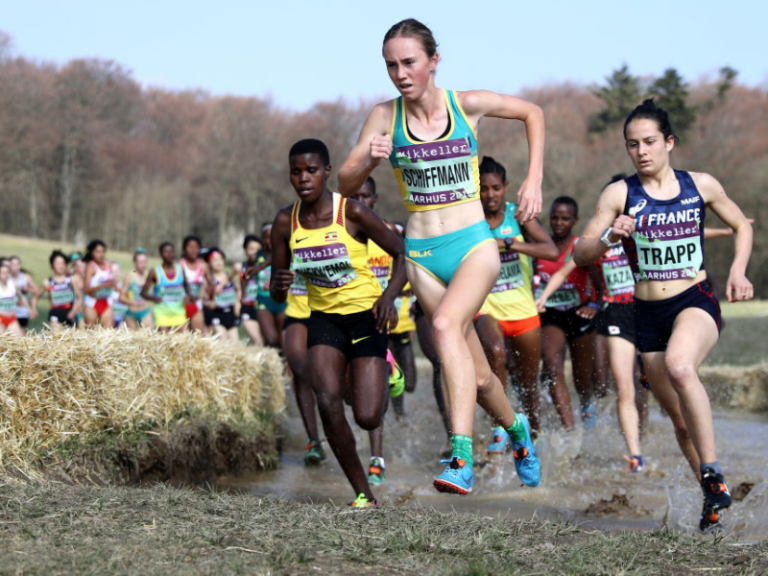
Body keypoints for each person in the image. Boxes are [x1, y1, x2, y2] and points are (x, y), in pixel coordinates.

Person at [338, 18, 543, 494]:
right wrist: (369, 158)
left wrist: (532, 180)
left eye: (409, 62)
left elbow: (533, 112)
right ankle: (519, 434)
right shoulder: (382, 116)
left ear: (433, 61)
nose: (400, 73)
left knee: (446, 328)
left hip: (473, 245)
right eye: (391, 65)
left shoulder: (466, 105)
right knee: (479, 375)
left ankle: (460, 456)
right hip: (423, 255)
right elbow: (345, 186)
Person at [573, 99, 754, 532]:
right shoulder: (619, 195)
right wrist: (608, 236)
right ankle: (712, 501)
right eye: (632, 144)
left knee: (679, 365)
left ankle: (712, 473)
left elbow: (743, 225)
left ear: (669, 142)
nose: (641, 151)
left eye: (650, 141)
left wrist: (738, 271)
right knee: (678, 420)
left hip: (694, 299)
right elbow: (581, 252)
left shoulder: (701, 185)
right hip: (646, 313)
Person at [270, 138, 406, 507]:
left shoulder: (352, 213)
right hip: (324, 322)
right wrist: (278, 284)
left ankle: (389, 373)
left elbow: (402, 253)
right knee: (328, 402)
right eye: (296, 172)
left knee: (365, 416)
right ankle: (364, 494)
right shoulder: (286, 222)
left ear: (327, 172)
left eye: (311, 170)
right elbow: (279, 290)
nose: (304, 178)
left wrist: (389, 296)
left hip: (366, 317)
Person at [474, 157, 559, 452]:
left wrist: (510, 244)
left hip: (523, 311)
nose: (490, 195)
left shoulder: (517, 215)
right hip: (488, 307)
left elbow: (550, 250)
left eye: (495, 188)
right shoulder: (471, 219)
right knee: (496, 354)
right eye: (483, 189)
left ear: (506, 187)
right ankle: (499, 427)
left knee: (528, 385)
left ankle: (533, 434)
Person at [350, 177, 417, 417]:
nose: (361, 202)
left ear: (375, 199)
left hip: (400, 315)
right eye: (355, 197)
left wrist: (406, 289)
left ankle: (397, 404)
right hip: (370, 318)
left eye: (365, 196)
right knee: (380, 376)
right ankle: (393, 420)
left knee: (409, 382)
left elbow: (408, 261)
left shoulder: (390, 232)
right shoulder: (345, 235)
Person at [533, 197, 599, 433]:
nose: (559, 223)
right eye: (554, 217)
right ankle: (570, 430)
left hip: (579, 314)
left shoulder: (580, 247)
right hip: (551, 316)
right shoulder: (541, 246)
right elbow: (532, 279)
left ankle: (585, 404)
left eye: (565, 218)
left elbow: (600, 281)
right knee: (552, 366)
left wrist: (596, 304)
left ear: (575, 221)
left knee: (583, 380)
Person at [142, 242, 193, 333]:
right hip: (162, 313)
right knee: (164, 341)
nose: (169, 255)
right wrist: (153, 298)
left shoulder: (180, 269)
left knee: (185, 339)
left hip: (179, 312)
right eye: (166, 252)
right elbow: (143, 293)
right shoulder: (155, 272)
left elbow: (186, 286)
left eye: (172, 252)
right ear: (161, 254)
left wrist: (188, 295)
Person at [253, 224, 287, 348]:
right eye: (267, 237)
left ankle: (283, 365)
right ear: (262, 239)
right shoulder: (256, 257)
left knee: (283, 341)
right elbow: (245, 273)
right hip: (263, 300)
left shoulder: (285, 254)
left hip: (282, 300)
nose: (271, 239)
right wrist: (243, 293)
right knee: (271, 338)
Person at [31, 250, 82, 330]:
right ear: (52, 265)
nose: (61, 266)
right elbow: (35, 297)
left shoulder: (71, 280)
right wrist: (33, 309)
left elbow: (79, 298)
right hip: (55, 314)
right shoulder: (48, 283)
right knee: (57, 337)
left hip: (70, 314)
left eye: (63, 263)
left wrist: (73, 311)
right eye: (58, 263)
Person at [204, 249, 241, 343]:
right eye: (215, 260)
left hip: (230, 313)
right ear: (209, 263)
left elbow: (239, 290)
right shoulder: (208, 280)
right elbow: (202, 299)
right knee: (223, 341)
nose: (218, 262)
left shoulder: (230, 276)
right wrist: (209, 303)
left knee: (235, 343)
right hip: (217, 314)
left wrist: (237, 303)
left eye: (220, 259)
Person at [237, 234, 265, 346]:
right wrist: (237, 301)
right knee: (258, 341)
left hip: (263, 307)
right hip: (247, 307)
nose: (254, 252)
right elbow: (233, 285)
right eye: (251, 249)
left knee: (268, 341)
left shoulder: (266, 266)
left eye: (258, 249)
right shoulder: (239, 267)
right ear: (245, 250)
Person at [82, 240, 116, 328]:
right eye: (97, 252)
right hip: (92, 303)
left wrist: (114, 285)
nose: (101, 254)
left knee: (108, 333)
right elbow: (85, 289)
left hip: (106, 301)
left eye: (103, 251)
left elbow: (113, 281)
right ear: (92, 253)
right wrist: (101, 286)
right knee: (90, 333)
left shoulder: (109, 264)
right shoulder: (91, 267)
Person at [180, 235, 209, 334]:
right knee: (182, 339)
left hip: (196, 306)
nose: (193, 250)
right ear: (184, 248)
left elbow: (211, 284)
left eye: (196, 247)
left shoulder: (204, 266)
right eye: (190, 247)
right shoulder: (179, 265)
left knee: (198, 336)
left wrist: (205, 293)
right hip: (181, 307)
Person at [119, 248, 154, 329]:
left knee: (149, 335)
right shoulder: (130, 276)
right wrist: (132, 302)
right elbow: (121, 297)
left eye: (145, 262)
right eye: (141, 262)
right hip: (132, 313)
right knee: (134, 338)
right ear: (135, 262)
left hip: (145, 311)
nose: (143, 265)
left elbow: (152, 294)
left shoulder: (148, 275)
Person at [9, 256, 38, 335]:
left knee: (21, 335)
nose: (16, 267)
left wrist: (28, 289)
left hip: (22, 312)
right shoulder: (6, 278)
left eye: (18, 264)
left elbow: (36, 291)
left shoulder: (26, 277)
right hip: (10, 312)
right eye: (13, 265)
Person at [0, 262, 30, 336]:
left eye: (7, 273)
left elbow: (21, 296)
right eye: (3, 273)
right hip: (1, 318)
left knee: (19, 341)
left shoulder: (12, 284)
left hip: (11, 318)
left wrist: (29, 309)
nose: (6, 275)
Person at [69, 252, 86, 328]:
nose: (83, 268)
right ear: (74, 267)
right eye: (80, 266)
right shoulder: (72, 279)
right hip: (75, 311)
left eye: (84, 265)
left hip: (85, 311)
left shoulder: (86, 279)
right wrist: (73, 312)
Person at [109, 262, 129, 329]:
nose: (116, 274)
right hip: (110, 318)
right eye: (113, 271)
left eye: (117, 271)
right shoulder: (106, 289)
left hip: (123, 319)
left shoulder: (124, 287)